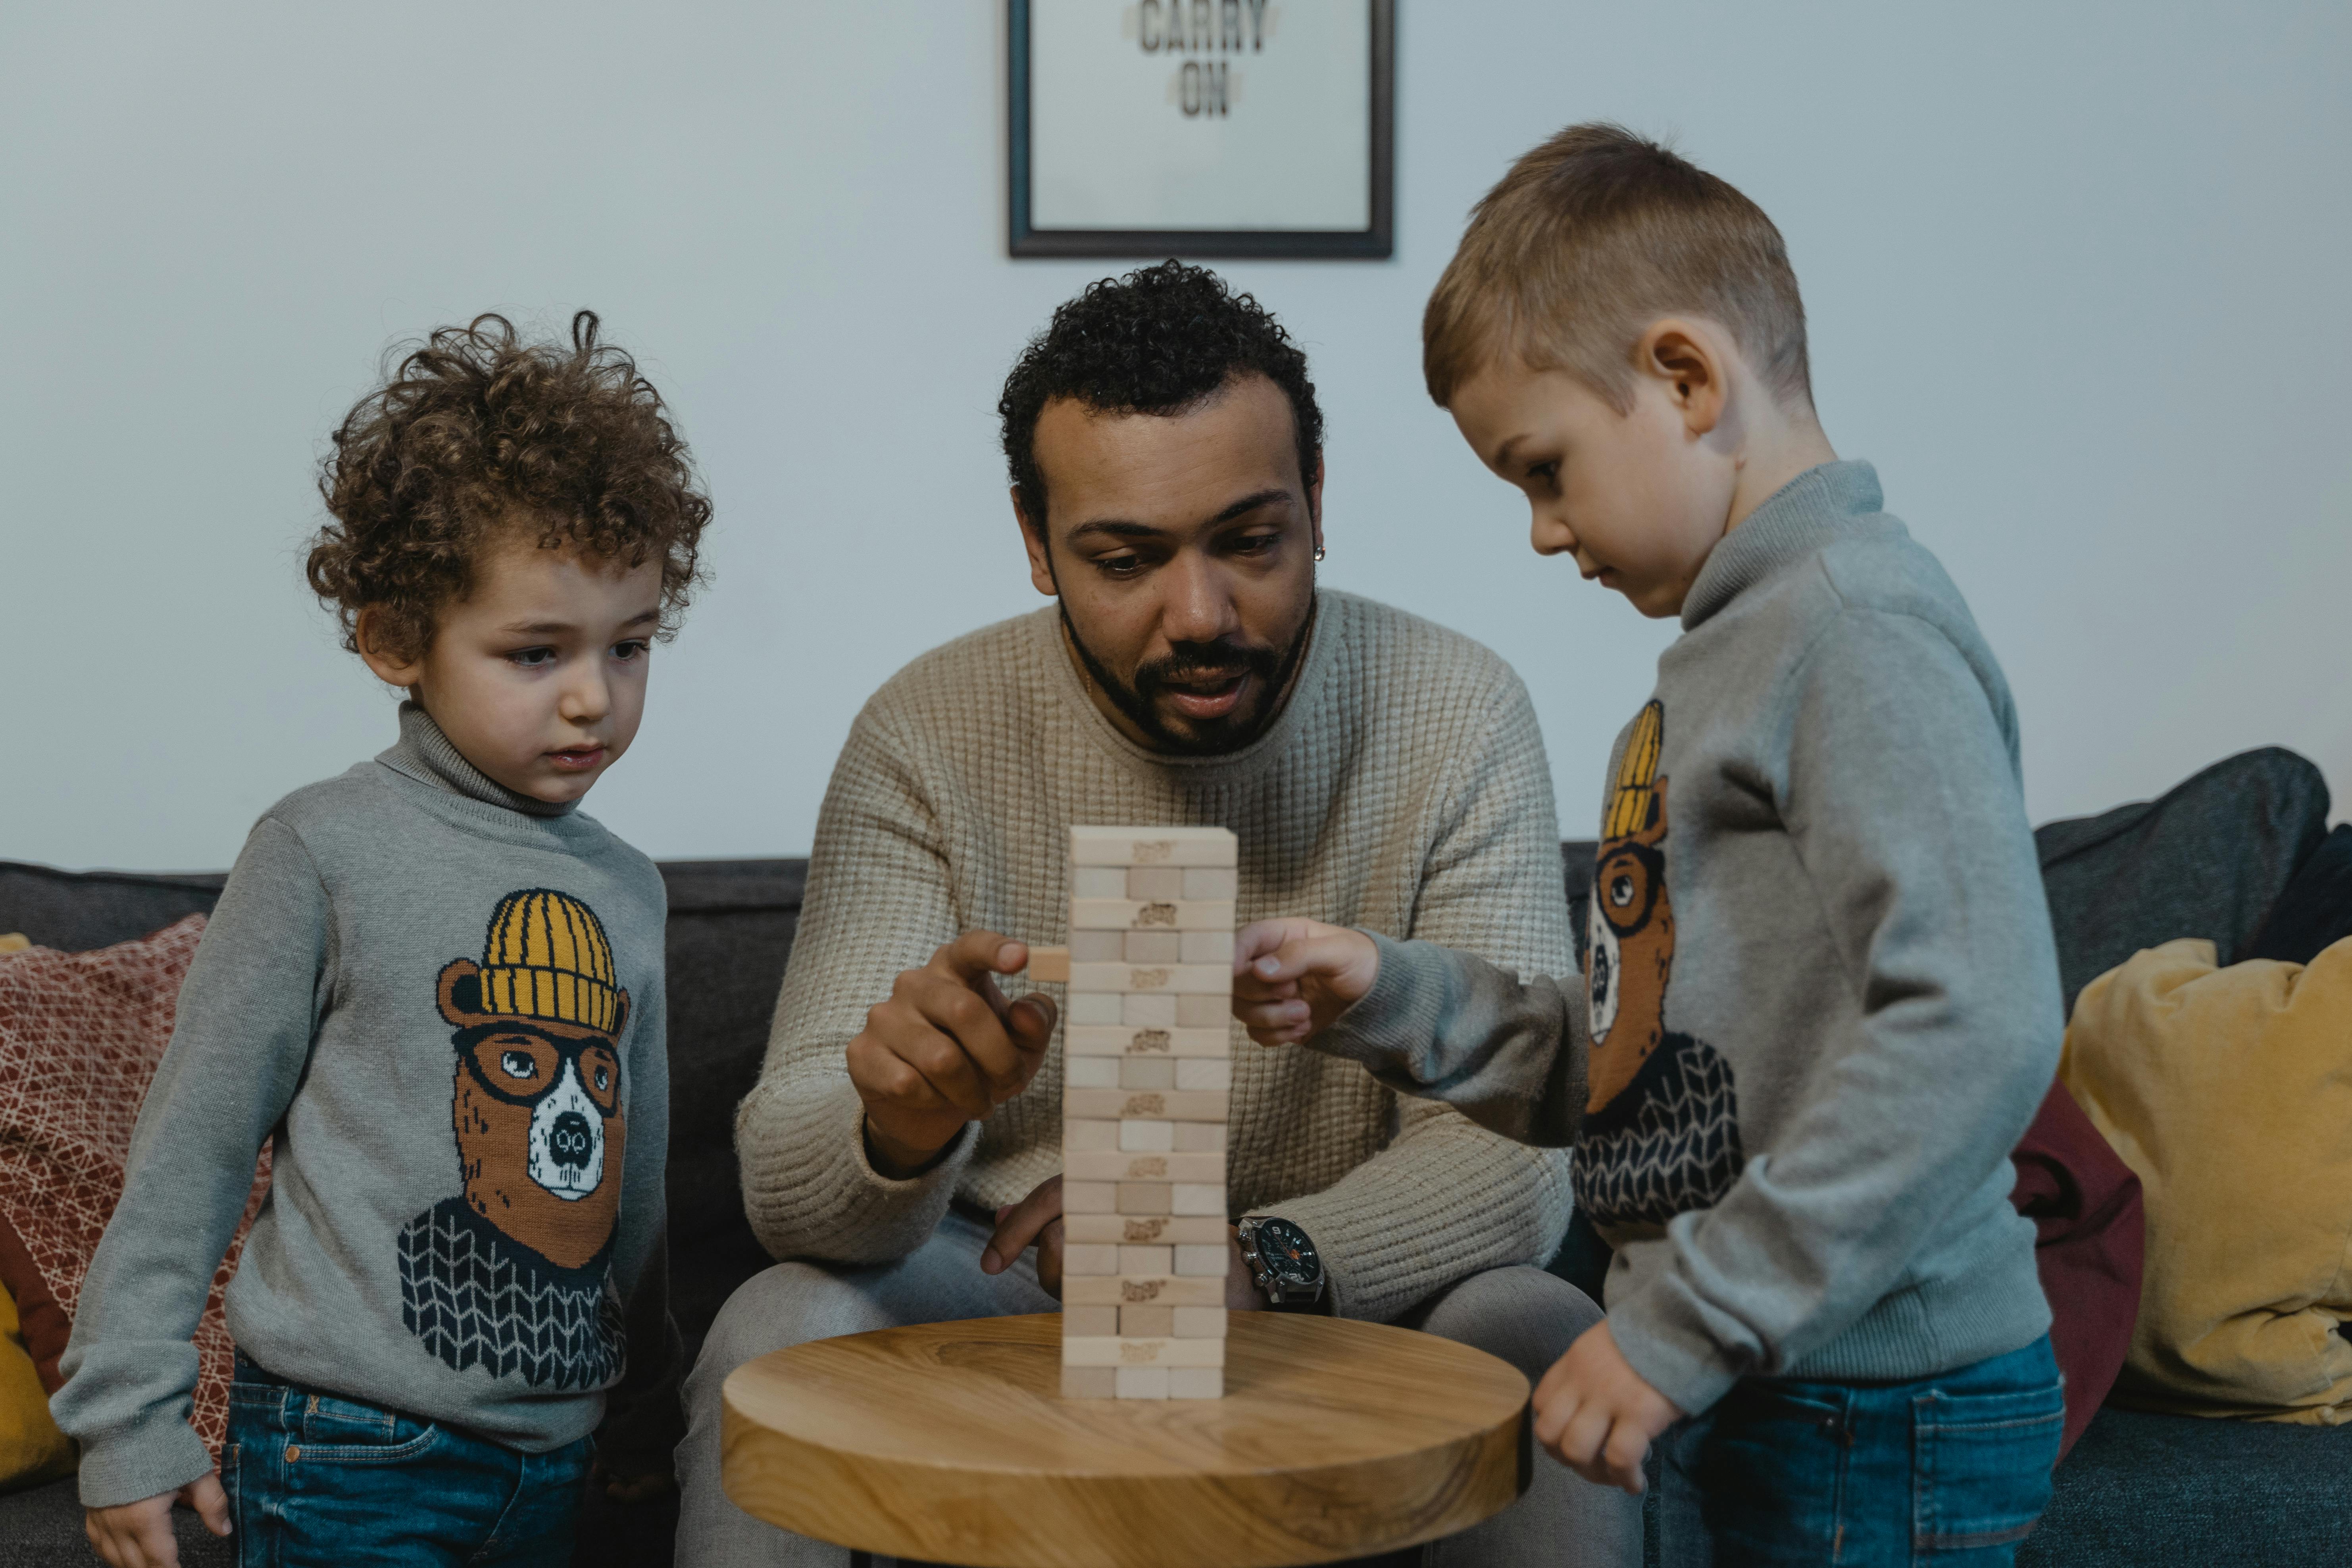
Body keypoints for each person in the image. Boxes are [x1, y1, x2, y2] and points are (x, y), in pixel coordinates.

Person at [678, 262, 1642, 1565]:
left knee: (1540, 1326)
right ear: (1035, 540)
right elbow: (790, 1187)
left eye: (1251, 541)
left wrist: (1266, 1262)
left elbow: (1517, 1158)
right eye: (1126, 559)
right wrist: (901, 1131)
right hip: (1011, 1285)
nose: (1200, 616)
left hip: (1334, 1291)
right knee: (777, 1326)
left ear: (1317, 504)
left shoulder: (1457, 712)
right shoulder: (925, 733)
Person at [1233, 126, 2068, 1565]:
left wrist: (1688, 1321)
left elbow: (1977, 1023)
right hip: (1763, 1375)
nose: (1546, 533)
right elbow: (1643, 1063)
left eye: (1545, 469)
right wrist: (1389, 995)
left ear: (1686, 379)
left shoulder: (1854, 633)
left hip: (1871, 1401)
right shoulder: (1730, 660)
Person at [54, 313, 704, 1568]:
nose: (594, 697)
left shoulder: (630, 890)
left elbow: (641, 1192)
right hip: (348, 1451)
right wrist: (128, 1422)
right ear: (397, 640)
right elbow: (192, 1145)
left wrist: (645, 1407)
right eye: (537, 651)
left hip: (555, 1455)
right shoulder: (320, 849)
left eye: (629, 647)